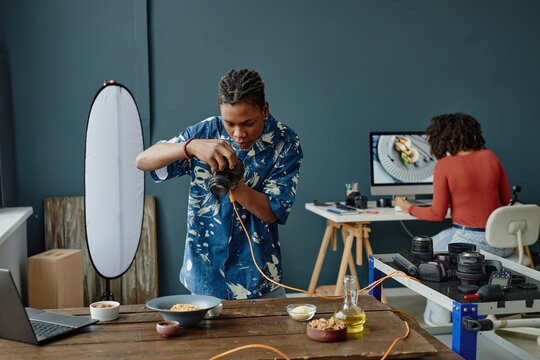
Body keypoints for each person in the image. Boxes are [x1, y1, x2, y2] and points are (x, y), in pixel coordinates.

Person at [136, 69, 303, 300]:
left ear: (264, 110)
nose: (238, 133)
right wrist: (191, 147)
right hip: (205, 277)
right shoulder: (205, 133)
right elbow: (143, 161)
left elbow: (272, 212)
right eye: (229, 123)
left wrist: (233, 181)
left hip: (261, 280)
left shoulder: (285, 142)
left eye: (248, 123)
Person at [394, 112, 511, 325]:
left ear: (442, 139)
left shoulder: (445, 165)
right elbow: (505, 200)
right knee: (441, 241)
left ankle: (436, 320)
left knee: (427, 260)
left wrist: (408, 207)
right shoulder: (491, 156)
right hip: (504, 244)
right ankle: (472, 310)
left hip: (470, 245)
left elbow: (437, 213)